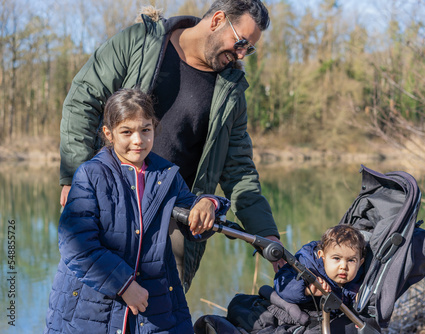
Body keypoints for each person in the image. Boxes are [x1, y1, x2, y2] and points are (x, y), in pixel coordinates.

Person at [59, 0, 283, 292]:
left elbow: (239, 168)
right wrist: (74, 177)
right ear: (217, 20)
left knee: (163, 316)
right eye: (240, 42)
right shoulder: (139, 43)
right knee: (94, 306)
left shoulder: (232, 91)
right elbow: (82, 101)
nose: (241, 53)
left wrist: (267, 235)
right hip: (110, 205)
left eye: (248, 48)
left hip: (177, 221)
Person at [45, 88, 230, 334]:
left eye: (145, 129)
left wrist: (209, 204)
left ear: (154, 127)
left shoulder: (166, 174)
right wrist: (123, 285)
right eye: (127, 132)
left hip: (156, 306)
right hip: (91, 309)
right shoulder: (90, 175)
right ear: (108, 134)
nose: (138, 140)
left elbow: (193, 213)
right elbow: (76, 245)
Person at [274, 225, 366, 318]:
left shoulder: (362, 276)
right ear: (322, 256)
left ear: (360, 262)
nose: (343, 266)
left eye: (351, 260)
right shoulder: (307, 266)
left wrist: (358, 299)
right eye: (336, 258)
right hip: (306, 315)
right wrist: (306, 291)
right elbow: (281, 284)